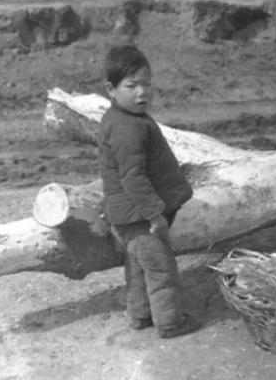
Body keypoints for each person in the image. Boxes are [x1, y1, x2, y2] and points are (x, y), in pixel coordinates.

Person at [98, 45, 199, 338]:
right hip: (140, 219)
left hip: (127, 217)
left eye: (147, 84)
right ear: (111, 89)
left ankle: (139, 313)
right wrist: (156, 215)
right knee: (161, 269)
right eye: (132, 86)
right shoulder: (127, 128)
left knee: (139, 267)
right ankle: (170, 322)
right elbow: (133, 179)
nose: (142, 92)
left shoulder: (124, 117)